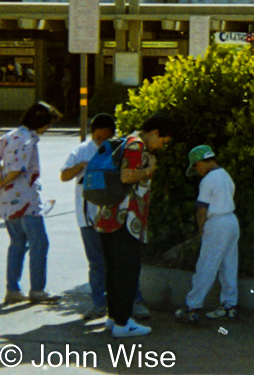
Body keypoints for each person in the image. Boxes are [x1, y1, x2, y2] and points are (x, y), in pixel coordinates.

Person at [60, 113, 150, 321]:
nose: (101, 141)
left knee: (123, 261)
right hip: (88, 218)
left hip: (114, 216)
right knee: (96, 262)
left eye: (105, 137)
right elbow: (64, 175)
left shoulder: (118, 148)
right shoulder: (82, 150)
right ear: (91, 134)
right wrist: (82, 165)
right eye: (97, 137)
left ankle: (134, 302)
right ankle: (99, 303)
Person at [93, 111, 175, 338]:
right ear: (156, 132)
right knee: (127, 272)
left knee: (113, 271)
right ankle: (123, 323)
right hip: (126, 220)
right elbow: (126, 176)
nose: (160, 146)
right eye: (163, 141)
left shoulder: (125, 140)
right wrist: (150, 170)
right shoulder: (136, 145)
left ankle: (113, 318)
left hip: (108, 217)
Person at [0, 101, 62, 305]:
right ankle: (37, 289)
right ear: (41, 122)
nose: (49, 128)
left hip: (8, 200)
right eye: (48, 123)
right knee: (39, 243)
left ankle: (13, 289)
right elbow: (18, 169)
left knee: (17, 243)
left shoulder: (10, 135)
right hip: (27, 199)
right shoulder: (28, 139)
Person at [174, 145, 240, 323]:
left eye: (195, 167)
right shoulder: (225, 175)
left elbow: (201, 209)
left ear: (200, 162)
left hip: (216, 222)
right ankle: (229, 306)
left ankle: (193, 307)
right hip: (232, 221)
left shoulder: (208, 180)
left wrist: (202, 229)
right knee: (229, 265)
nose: (197, 171)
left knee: (207, 265)